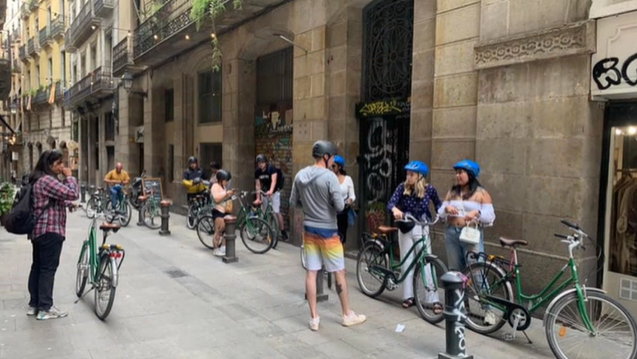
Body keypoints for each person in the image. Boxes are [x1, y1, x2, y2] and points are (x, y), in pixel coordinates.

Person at [290, 140, 366, 331]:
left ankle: (314, 318)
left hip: (309, 230)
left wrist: (308, 208)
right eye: (331, 157)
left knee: (311, 272)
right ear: (325, 157)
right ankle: (347, 314)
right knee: (338, 272)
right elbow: (340, 206)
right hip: (329, 231)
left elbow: (293, 202)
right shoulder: (330, 177)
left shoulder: (300, 175)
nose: (333, 161)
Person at [437, 159, 496, 324]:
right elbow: (440, 212)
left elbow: (490, 216)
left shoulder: (481, 193)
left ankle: (489, 310)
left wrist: (476, 213)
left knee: (476, 272)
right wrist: (446, 209)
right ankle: (461, 305)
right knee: (456, 271)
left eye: (461, 172)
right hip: (452, 233)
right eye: (456, 172)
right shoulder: (452, 192)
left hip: (471, 235)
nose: (457, 176)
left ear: (470, 174)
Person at [28, 150, 79, 320]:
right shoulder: (48, 180)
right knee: (48, 269)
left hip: (38, 231)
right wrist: (70, 176)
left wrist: (67, 204)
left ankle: (34, 304)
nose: (61, 167)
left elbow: (52, 199)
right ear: (49, 165)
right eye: (58, 164)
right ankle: (45, 308)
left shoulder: (38, 179)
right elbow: (73, 193)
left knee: (38, 267)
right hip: (51, 231)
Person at [387, 160, 442, 311]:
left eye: (411, 174)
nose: (408, 177)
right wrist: (395, 210)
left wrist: (443, 213)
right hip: (406, 227)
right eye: (407, 174)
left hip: (422, 227)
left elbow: (438, 204)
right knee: (407, 261)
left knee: (427, 261)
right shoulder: (401, 187)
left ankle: (433, 299)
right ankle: (407, 296)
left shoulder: (429, 189)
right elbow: (391, 203)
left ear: (420, 176)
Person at [254, 154, 287, 240]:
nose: (260, 164)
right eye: (259, 163)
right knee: (265, 212)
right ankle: (267, 231)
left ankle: (283, 231)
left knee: (276, 211)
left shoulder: (271, 168)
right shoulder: (257, 172)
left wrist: (271, 191)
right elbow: (258, 185)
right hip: (265, 193)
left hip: (274, 193)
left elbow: (274, 181)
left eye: (262, 162)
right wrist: (258, 198)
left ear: (265, 162)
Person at [331, 155, 355, 244]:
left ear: (339, 167)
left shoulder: (348, 179)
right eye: (331, 166)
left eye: (334, 166)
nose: (331, 168)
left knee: (341, 236)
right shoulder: (330, 178)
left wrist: (350, 200)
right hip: (331, 211)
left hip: (342, 211)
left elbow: (353, 196)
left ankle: (340, 256)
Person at [210, 170, 234, 257]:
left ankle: (223, 246)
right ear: (220, 179)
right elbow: (216, 198)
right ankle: (216, 248)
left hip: (224, 210)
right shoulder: (215, 186)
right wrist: (226, 193)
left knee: (225, 230)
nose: (226, 182)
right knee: (218, 231)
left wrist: (229, 194)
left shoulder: (223, 186)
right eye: (225, 180)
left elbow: (224, 196)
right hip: (217, 211)